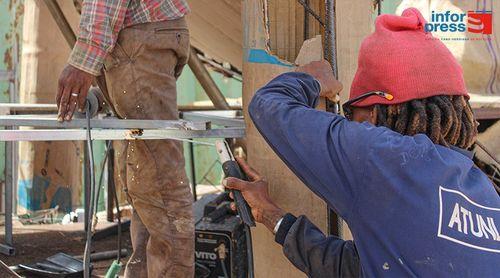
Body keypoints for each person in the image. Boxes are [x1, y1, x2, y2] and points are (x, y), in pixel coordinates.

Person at [223, 8, 500, 277]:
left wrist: (312, 80)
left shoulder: (382, 156)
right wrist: (272, 215)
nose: (349, 123)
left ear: (375, 112)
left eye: (349, 113)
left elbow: (269, 103)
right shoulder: (485, 194)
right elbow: (365, 267)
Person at [56, 1, 193, 277]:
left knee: (159, 183)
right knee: (144, 179)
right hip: (137, 35)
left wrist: (83, 61)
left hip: (137, 36)